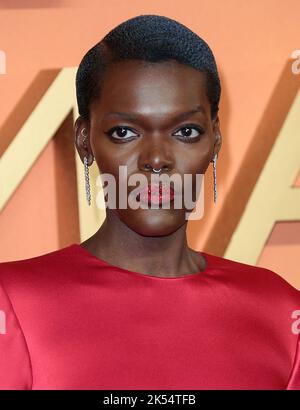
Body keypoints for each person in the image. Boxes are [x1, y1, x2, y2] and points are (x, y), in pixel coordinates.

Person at [0, 14, 299, 390]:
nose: (156, 159)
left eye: (185, 131)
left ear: (215, 141)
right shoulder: (14, 303)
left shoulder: (279, 312)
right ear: (85, 142)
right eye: (124, 131)